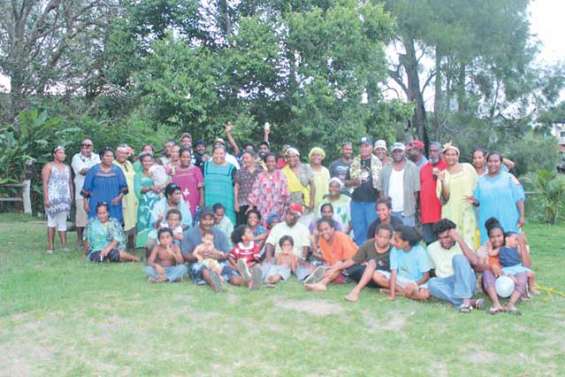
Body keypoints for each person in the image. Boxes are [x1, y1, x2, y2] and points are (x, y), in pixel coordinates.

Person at [427, 219, 485, 312]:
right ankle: (469, 302)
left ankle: (466, 301)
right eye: (440, 238)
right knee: (431, 283)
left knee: (458, 258)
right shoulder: (431, 248)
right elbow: (432, 270)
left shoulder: (463, 243)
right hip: (447, 283)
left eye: (447, 237)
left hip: (465, 280)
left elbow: (475, 261)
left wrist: (459, 240)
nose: (444, 241)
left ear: (453, 234)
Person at [181, 208, 243, 291]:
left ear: (214, 220)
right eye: (205, 219)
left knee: (232, 275)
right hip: (198, 263)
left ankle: (249, 282)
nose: (208, 222)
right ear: (199, 219)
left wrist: (216, 256)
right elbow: (185, 254)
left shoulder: (220, 234)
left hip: (217, 263)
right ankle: (216, 284)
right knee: (205, 271)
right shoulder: (189, 233)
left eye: (211, 219)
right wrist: (199, 256)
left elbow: (226, 253)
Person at [470, 152, 525, 244]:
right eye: (490, 161)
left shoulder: (509, 178)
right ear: (486, 163)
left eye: (496, 161)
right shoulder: (480, 181)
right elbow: (477, 201)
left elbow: (519, 199)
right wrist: (473, 201)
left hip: (508, 220)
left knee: (510, 247)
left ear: (501, 163)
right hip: (487, 220)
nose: (493, 164)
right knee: (489, 250)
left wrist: (522, 216)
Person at [479, 218, 530, 315]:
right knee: (487, 272)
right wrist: (492, 266)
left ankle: (511, 304)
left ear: (504, 235)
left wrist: (522, 243)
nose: (496, 239)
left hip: (513, 285)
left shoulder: (513, 244)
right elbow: (481, 264)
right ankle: (496, 304)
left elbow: (527, 266)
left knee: (523, 273)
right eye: (492, 237)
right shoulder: (486, 247)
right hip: (495, 286)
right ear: (488, 238)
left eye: (499, 236)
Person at [435, 143, 478, 247]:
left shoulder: (468, 168)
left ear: (458, 156)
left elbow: (478, 186)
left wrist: (476, 200)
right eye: (448, 154)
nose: (451, 157)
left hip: (467, 210)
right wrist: (443, 181)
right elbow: (443, 200)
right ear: (444, 157)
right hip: (450, 212)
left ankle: (471, 262)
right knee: (453, 241)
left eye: (454, 154)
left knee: (469, 240)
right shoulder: (442, 174)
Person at [263, 203, 316, 281]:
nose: (291, 217)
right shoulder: (277, 227)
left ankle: (308, 278)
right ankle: (255, 276)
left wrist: (303, 259)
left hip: (296, 259)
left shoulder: (303, 228)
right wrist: (268, 258)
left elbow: (306, 246)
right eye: (290, 214)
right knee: (267, 266)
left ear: (298, 217)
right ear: (286, 213)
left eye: (294, 216)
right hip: (279, 259)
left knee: (303, 269)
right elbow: (269, 243)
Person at [304, 219, 358, 292]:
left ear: (333, 229)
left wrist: (336, 267)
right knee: (325, 268)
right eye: (321, 230)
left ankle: (322, 284)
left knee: (338, 265)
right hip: (340, 267)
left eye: (326, 229)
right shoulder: (321, 240)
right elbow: (330, 261)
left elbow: (352, 259)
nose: (324, 232)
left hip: (355, 264)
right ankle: (317, 282)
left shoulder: (342, 237)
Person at [344, 224, 394, 302]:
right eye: (380, 237)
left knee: (371, 263)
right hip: (368, 277)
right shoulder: (368, 244)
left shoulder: (393, 250)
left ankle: (356, 291)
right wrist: (337, 267)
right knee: (354, 268)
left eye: (385, 238)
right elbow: (354, 260)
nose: (382, 240)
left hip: (384, 279)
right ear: (375, 236)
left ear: (390, 239)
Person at [347, 136, 382, 246]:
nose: (363, 149)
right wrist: (354, 182)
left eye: (366, 146)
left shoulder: (379, 163)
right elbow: (345, 182)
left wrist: (381, 203)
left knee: (372, 229)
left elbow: (382, 185)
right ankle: (360, 256)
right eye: (361, 146)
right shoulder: (353, 163)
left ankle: (371, 255)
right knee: (358, 230)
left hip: (372, 202)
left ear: (371, 147)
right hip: (356, 202)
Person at [81, 147, 128, 224]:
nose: (110, 158)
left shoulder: (117, 170)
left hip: (113, 203)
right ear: (101, 157)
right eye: (107, 156)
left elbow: (124, 188)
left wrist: (119, 198)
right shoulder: (94, 170)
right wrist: (85, 203)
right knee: (96, 226)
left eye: (111, 156)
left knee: (114, 226)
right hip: (96, 203)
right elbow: (86, 188)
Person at [377, 142, 420, 226]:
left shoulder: (413, 167)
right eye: (395, 151)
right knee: (390, 237)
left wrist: (412, 206)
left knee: (407, 237)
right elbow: (380, 190)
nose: (397, 153)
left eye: (400, 151)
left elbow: (416, 191)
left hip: (407, 212)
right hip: (389, 212)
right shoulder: (385, 169)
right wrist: (384, 208)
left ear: (404, 152)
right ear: (391, 153)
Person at [385, 225, 432, 301]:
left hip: (418, 282)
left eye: (396, 240)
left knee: (425, 295)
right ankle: (407, 294)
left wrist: (414, 285)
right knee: (379, 276)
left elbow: (426, 276)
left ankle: (402, 293)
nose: (392, 242)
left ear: (406, 243)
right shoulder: (394, 250)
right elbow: (393, 273)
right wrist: (392, 295)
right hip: (402, 280)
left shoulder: (420, 251)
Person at [42, 146, 73, 253]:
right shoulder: (48, 166)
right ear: (54, 154)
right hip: (53, 198)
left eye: (63, 153)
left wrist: (71, 196)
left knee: (62, 222)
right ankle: (50, 246)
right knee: (52, 222)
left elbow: (69, 183)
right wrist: (46, 198)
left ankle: (64, 245)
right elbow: (45, 183)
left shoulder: (67, 167)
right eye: (60, 153)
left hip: (64, 199)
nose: (62, 155)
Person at [71, 138, 100, 248]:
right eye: (83, 145)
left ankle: (92, 239)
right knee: (81, 218)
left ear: (92, 147)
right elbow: (82, 171)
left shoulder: (97, 156)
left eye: (88, 145)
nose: (85, 147)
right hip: (81, 192)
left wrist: (92, 170)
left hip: (96, 192)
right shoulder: (76, 157)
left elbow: (97, 170)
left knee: (95, 216)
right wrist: (95, 169)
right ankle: (79, 240)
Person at [248, 153, 289, 225]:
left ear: (276, 162)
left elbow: (285, 193)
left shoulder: (281, 175)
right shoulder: (260, 176)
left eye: (273, 161)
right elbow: (255, 191)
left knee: (275, 229)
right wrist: (251, 206)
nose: (271, 163)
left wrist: (286, 208)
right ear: (265, 163)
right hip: (263, 208)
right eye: (268, 161)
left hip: (278, 208)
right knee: (263, 228)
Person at [419, 141, 447, 244]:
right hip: (426, 214)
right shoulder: (423, 169)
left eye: (435, 151)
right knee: (429, 244)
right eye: (430, 151)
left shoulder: (446, 167)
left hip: (440, 214)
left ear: (440, 152)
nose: (432, 153)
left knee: (441, 243)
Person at [134, 153, 162, 248]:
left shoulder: (157, 173)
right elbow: (138, 189)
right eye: (145, 161)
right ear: (141, 162)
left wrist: (160, 187)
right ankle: (142, 245)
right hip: (144, 204)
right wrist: (150, 188)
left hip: (156, 203)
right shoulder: (138, 175)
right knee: (143, 223)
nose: (147, 163)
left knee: (155, 222)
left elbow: (163, 184)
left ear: (153, 161)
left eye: (149, 160)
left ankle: (155, 244)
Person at [204, 144, 237, 224]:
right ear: (212, 154)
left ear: (225, 154)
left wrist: (236, 203)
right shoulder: (205, 166)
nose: (218, 155)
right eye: (216, 153)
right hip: (209, 202)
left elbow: (235, 187)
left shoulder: (232, 168)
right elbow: (201, 186)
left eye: (221, 153)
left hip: (227, 203)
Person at [282, 147, 315, 224]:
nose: (291, 159)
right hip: (290, 202)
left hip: (305, 202)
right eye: (289, 157)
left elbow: (312, 185)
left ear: (298, 157)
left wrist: (312, 201)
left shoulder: (306, 167)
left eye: (294, 156)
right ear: (286, 158)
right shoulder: (283, 171)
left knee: (305, 224)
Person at [114, 144, 138, 250]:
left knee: (132, 219)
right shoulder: (113, 165)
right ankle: (120, 244)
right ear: (116, 154)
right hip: (121, 196)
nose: (123, 155)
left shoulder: (129, 163)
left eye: (125, 153)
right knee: (121, 220)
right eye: (120, 153)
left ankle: (131, 241)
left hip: (132, 197)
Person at [172, 148, 204, 219]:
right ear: (179, 158)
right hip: (179, 201)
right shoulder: (174, 171)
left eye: (188, 157)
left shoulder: (196, 170)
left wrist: (201, 201)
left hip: (193, 201)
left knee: (193, 219)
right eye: (183, 157)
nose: (186, 159)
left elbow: (201, 187)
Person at [234, 151, 262, 225]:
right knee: (241, 226)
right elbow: (236, 187)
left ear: (253, 158)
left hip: (256, 204)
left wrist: (252, 205)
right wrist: (236, 202)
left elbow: (261, 189)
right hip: (242, 203)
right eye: (244, 158)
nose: (245, 160)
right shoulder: (240, 172)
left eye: (247, 158)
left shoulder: (260, 172)